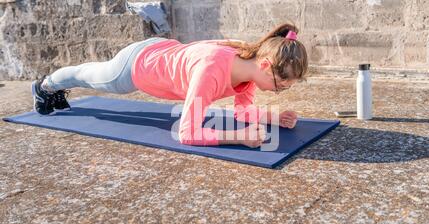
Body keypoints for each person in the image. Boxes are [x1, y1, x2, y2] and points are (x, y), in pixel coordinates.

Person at [31, 23, 308, 148]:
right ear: (265, 65)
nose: (280, 89)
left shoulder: (249, 69)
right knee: (87, 75)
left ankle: (49, 86)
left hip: (162, 51)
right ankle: (45, 86)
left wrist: (273, 117)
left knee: (89, 73)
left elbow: (241, 114)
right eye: (282, 84)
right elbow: (187, 133)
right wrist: (239, 137)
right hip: (136, 67)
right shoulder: (210, 72)